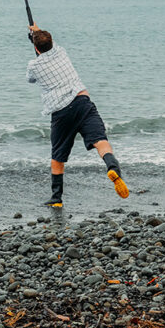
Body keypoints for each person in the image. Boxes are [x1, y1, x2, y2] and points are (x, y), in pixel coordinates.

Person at [25, 23, 128, 207]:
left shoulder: (34, 65)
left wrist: (36, 48)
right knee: (100, 141)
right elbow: (50, 45)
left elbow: (31, 79)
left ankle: (56, 199)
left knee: (58, 157)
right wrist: (37, 32)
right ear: (51, 42)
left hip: (61, 111)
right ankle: (113, 168)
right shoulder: (61, 52)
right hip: (83, 102)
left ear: (36, 48)